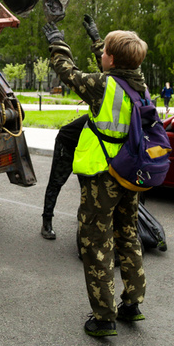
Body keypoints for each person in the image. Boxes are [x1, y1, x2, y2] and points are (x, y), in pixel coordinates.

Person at [43, 15, 148, 338]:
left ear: (111, 59)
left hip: (103, 175)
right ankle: (132, 303)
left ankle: (103, 318)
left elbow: (68, 72)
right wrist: (98, 39)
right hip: (130, 173)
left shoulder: (103, 86)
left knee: (96, 243)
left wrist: (57, 42)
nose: (101, 54)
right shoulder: (138, 84)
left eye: (104, 51)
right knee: (128, 235)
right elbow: (115, 64)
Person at [41, 17, 104, 240]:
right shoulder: (128, 82)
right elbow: (70, 74)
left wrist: (58, 43)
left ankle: (86, 227)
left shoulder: (115, 85)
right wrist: (96, 40)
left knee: (88, 188)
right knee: (57, 182)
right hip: (69, 142)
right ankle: (46, 221)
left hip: (90, 147)